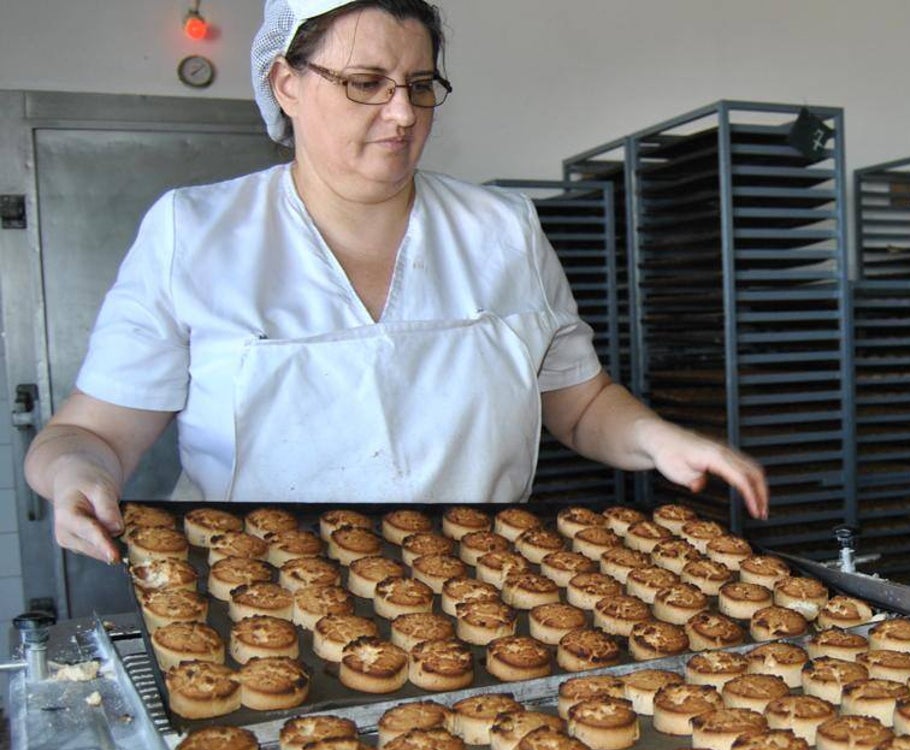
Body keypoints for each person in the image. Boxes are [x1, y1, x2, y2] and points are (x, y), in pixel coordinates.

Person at [23, 0, 768, 566]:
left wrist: (661, 439)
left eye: (419, 84)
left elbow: (580, 404)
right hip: (263, 595)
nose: (402, 113)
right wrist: (76, 475)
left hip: (476, 587)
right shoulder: (196, 232)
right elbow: (82, 434)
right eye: (364, 83)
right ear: (286, 83)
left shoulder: (502, 229)